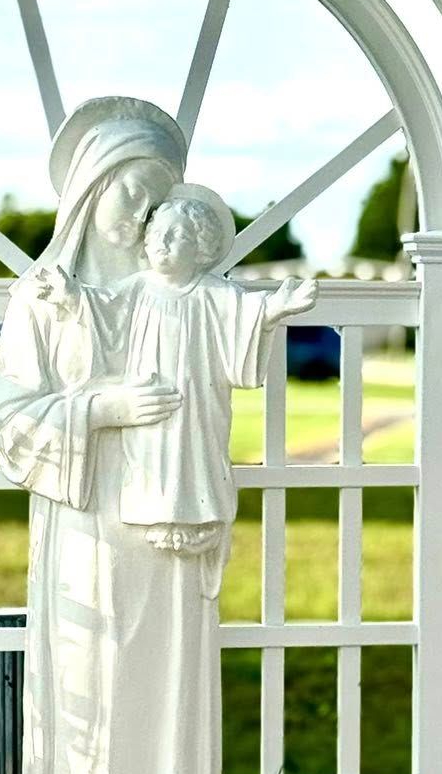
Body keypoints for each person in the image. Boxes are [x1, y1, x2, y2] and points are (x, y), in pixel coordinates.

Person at [0, 99, 235, 774]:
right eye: (133, 187)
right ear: (92, 192)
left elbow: (221, 384)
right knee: (87, 729)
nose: (144, 210)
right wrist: (100, 406)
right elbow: (8, 419)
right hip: (85, 538)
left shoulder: (181, 298)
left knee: (161, 720)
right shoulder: (45, 300)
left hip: (164, 543)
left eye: (159, 194)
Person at [37, 183, 317, 595]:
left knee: (194, 455)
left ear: (200, 246)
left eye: (178, 235)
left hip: (198, 407)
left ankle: (198, 516)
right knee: (155, 459)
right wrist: (73, 297)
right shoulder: (137, 289)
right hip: (150, 410)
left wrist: (275, 310)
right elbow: (104, 310)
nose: (163, 244)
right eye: (157, 235)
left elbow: (245, 318)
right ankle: (157, 511)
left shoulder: (214, 293)